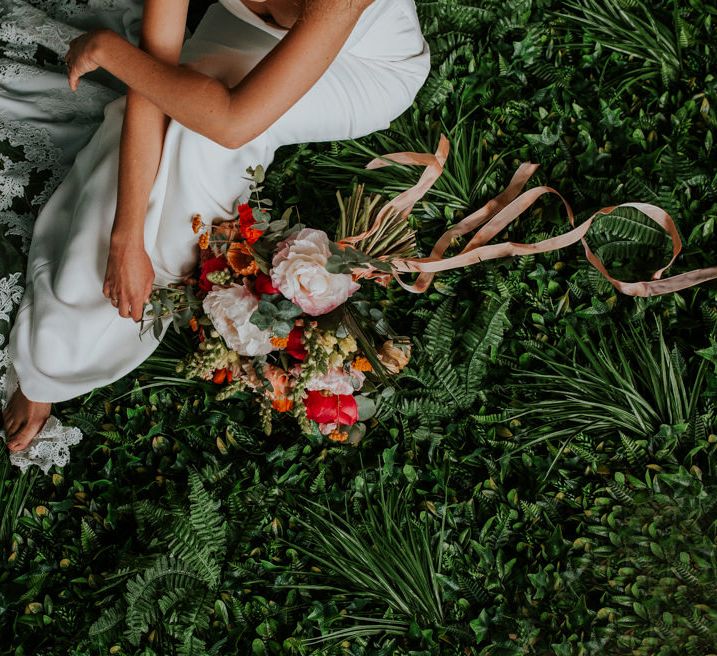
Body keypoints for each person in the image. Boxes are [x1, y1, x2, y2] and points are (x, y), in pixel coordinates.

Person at [0, 0, 431, 457]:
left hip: (360, 60)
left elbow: (230, 123)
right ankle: (60, 329)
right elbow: (154, 69)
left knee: (197, 145)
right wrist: (124, 236)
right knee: (163, 108)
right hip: (252, 26)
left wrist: (109, 51)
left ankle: (56, 361)